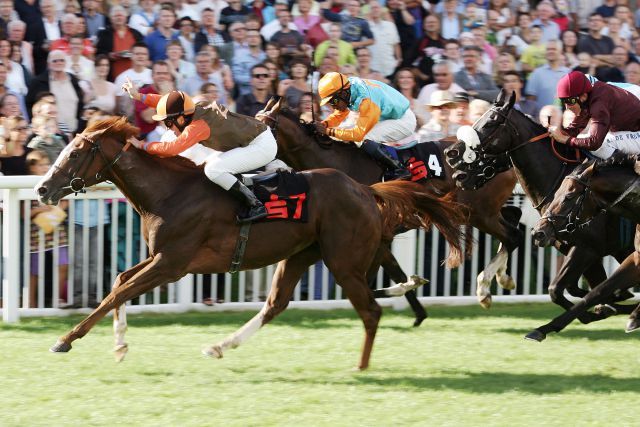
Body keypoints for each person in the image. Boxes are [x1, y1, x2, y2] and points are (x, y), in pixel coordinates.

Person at [121, 80, 278, 222]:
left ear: (181, 119)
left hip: (261, 146)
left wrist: (142, 145)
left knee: (213, 169)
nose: (168, 128)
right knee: (208, 165)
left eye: (168, 123)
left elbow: (170, 149)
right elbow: (164, 102)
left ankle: (256, 205)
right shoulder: (191, 109)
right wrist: (138, 95)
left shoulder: (197, 127)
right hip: (253, 140)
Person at [313, 72, 415, 180]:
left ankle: (399, 169)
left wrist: (328, 131)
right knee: (347, 133)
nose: (333, 105)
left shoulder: (366, 100)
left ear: (342, 93)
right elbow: (340, 114)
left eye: (333, 101)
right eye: (330, 103)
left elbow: (358, 134)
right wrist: (324, 124)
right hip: (387, 116)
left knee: (364, 139)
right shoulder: (349, 88)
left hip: (402, 120)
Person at [550, 71, 640, 157]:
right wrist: (558, 132)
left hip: (637, 134)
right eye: (563, 101)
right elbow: (575, 129)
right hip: (632, 131)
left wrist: (564, 139)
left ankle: (628, 168)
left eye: (569, 101)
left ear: (583, 96)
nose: (567, 107)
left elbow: (594, 143)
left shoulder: (599, 103)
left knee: (602, 146)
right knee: (582, 139)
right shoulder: (591, 95)